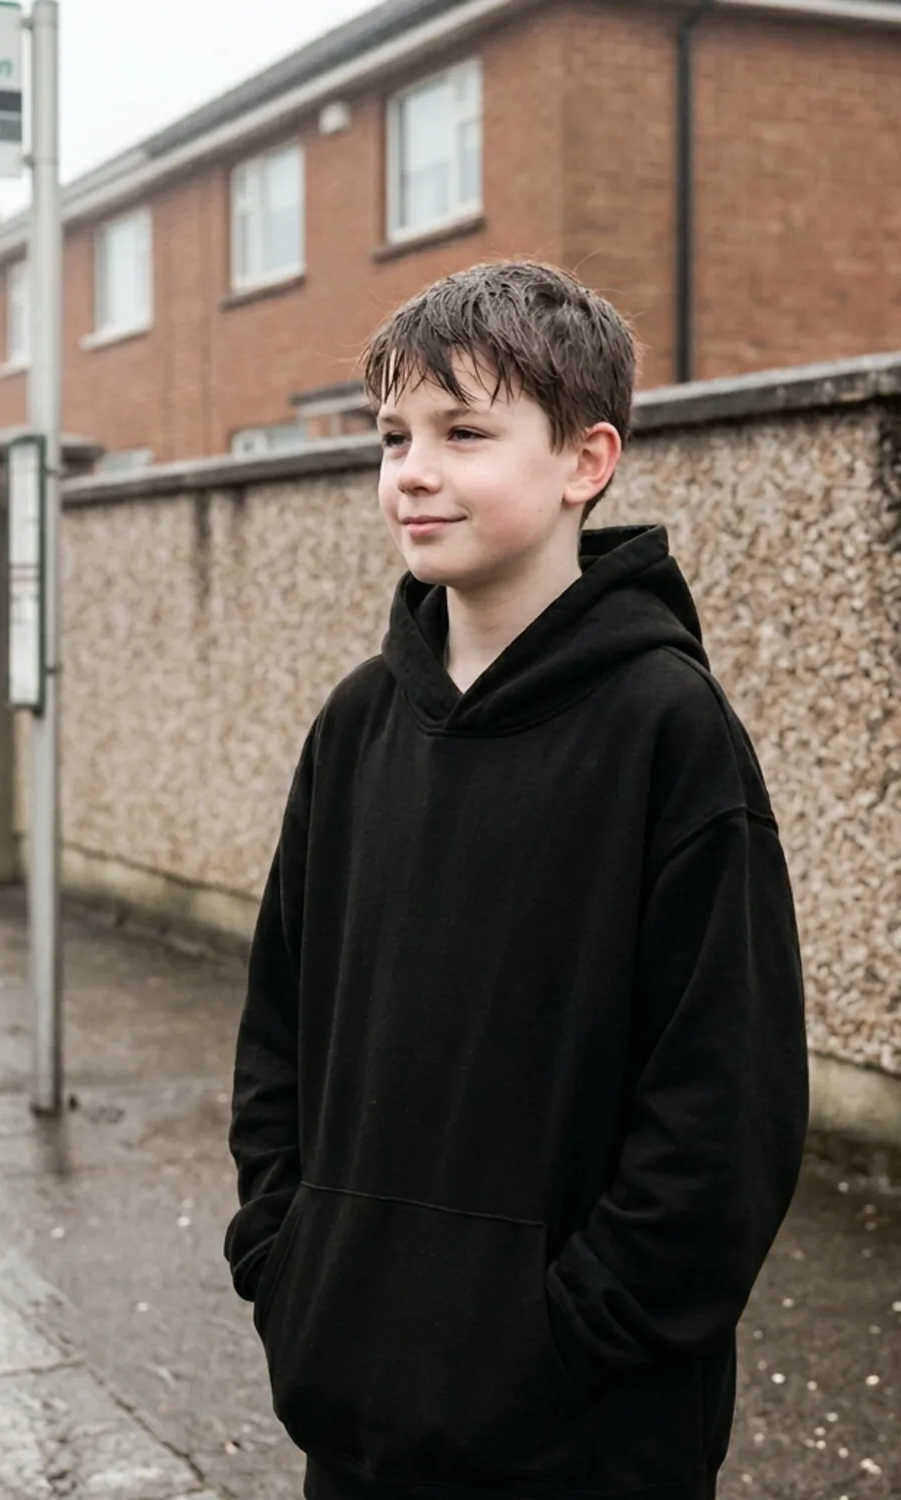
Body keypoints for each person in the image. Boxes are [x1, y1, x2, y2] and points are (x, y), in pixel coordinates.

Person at [223, 259, 809, 1500]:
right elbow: (277, 1035)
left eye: (464, 432)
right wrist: (287, 1262)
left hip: (582, 1443)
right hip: (356, 1420)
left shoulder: (668, 730)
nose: (411, 470)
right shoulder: (356, 725)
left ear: (586, 461)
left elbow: (724, 1115)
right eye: (393, 436)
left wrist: (563, 1342)